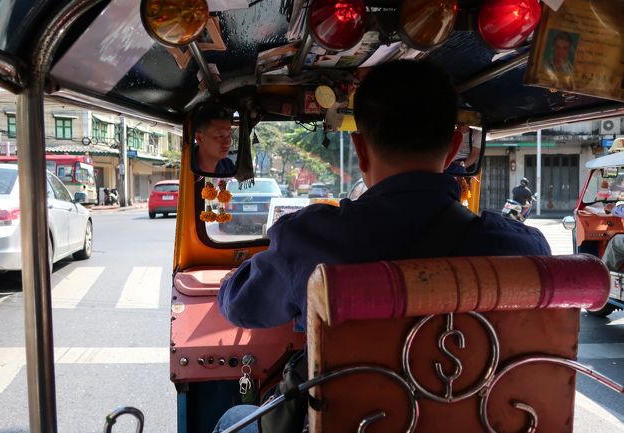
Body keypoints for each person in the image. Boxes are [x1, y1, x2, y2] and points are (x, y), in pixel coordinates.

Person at [213, 60, 551, 433]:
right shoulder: (522, 249)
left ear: (359, 148)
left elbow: (240, 306)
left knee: (232, 419)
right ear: (455, 146)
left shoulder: (308, 241)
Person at [192, 104, 236, 175]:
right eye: (220, 136)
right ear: (199, 138)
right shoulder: (186, 165)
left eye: (229, 135)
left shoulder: (228, 166)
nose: (227, 143)